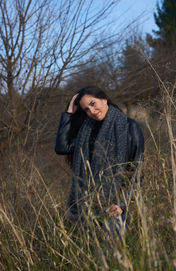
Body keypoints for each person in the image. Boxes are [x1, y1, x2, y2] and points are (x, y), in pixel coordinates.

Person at [55, 86, 144, 229]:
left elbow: (137, 169)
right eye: (86, 110)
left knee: (112, 248)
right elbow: (62, 148)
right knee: (92, 249)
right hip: (89, 206)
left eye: (92, 104)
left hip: (116, 206)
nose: (91, 111)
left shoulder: (129, 126)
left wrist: (123, 204)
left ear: (104, 99)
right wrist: (69, 113)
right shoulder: (86, 132)